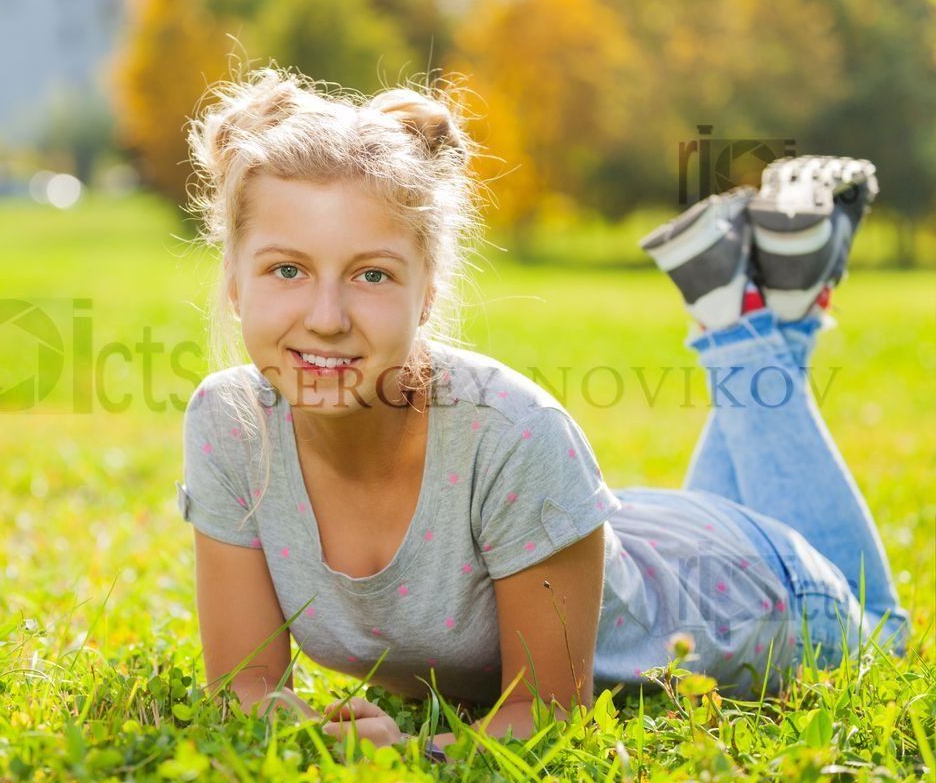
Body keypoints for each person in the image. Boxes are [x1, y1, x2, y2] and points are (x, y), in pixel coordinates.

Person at [174, 65, 911, 760]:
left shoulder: (510, 430)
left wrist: (412, 753)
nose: (326, 317)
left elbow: (549, 716)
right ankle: (769, 307)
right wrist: (302, 737)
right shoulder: (231, 425)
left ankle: (743, 332)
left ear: (427, 291)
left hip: (755, 596)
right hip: (635, 540)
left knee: (888, 633)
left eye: (372, 274)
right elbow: (246, 689)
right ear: (234, 279)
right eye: (286, 270)